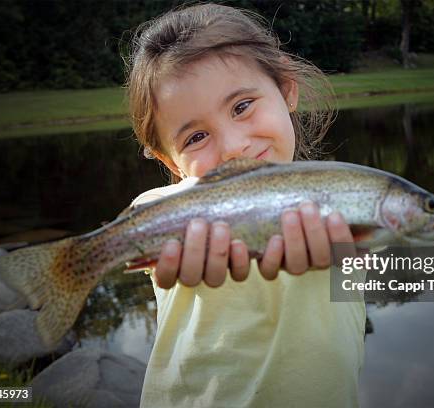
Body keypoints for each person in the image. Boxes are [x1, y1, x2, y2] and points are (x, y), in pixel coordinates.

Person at [125, 4, 365, 407]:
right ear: (170, 162)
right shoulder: (178, 216)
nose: (234, 147)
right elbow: (149, 210)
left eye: (241, 107)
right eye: (196, 137)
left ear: (286, 88)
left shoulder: (345, 201)